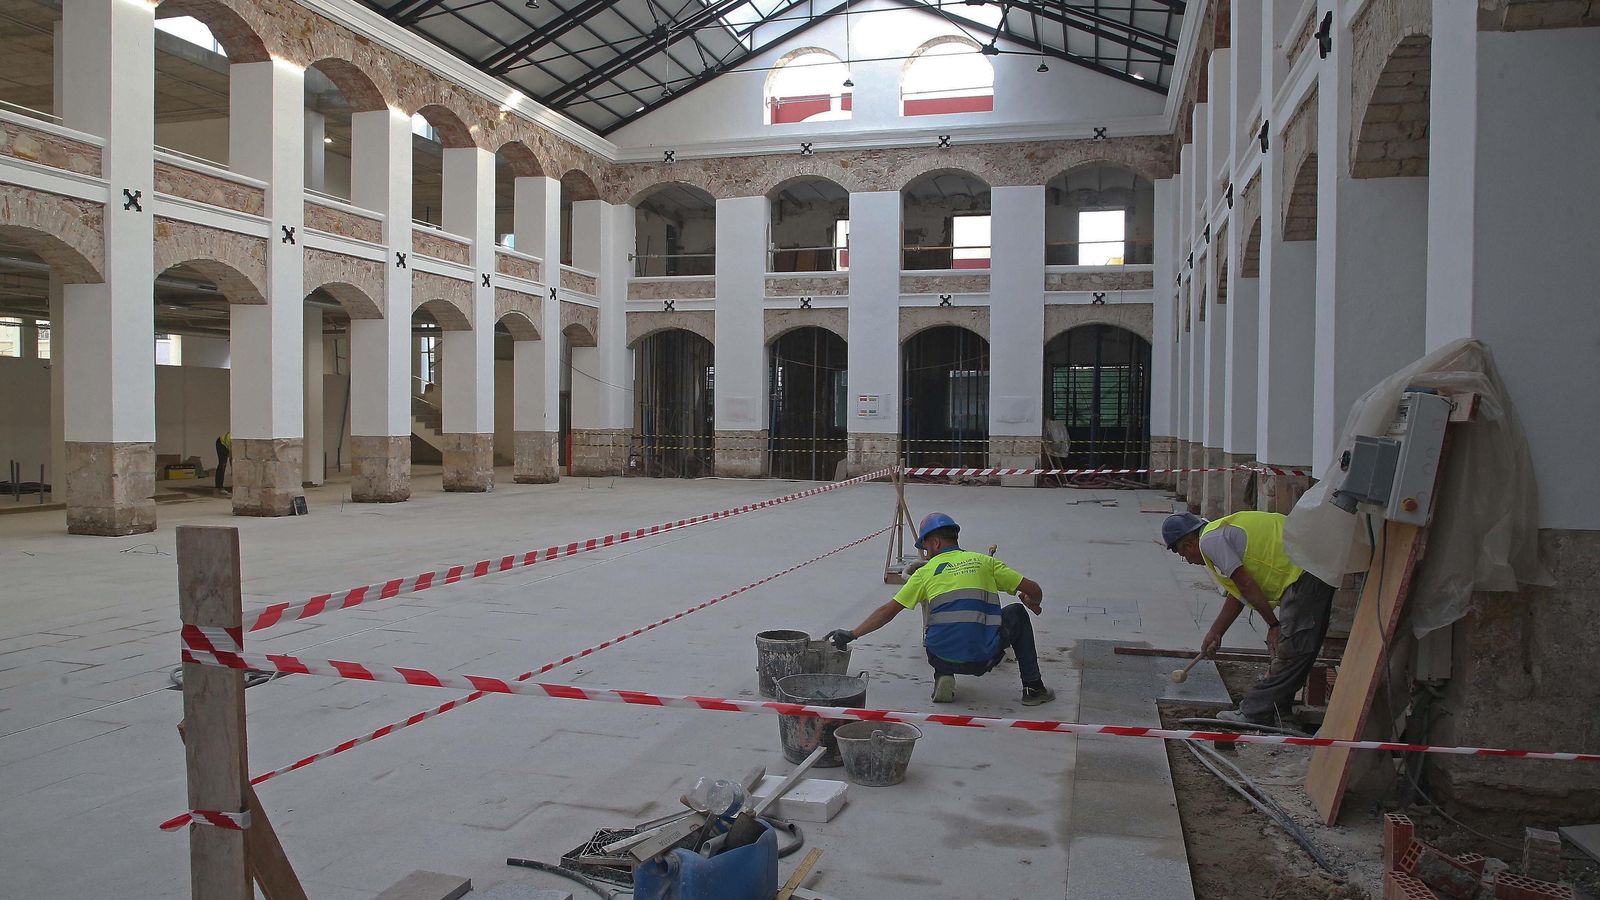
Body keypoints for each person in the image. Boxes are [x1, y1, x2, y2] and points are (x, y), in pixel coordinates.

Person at [826, 512, 1055, 707]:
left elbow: (888, 611)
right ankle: (1033, 687)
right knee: (1017, 612)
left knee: (934, 623)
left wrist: (852, 633)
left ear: (935, 543)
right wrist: (1030, 600)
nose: (926, 554)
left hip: (942, 656)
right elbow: (1034, 589)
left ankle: (944, 674)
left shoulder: (925, 572)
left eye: (926, 548)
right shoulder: (985, 562)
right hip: (984, 658)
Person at [1162, 510, 1335, 726]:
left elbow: (1246, 584)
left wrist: (1273, 625)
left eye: (1183, 555)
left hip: (1303, 572)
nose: (1187, 561)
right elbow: (1239, 593)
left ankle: (1254, 711)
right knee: (1299, 648)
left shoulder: (1210, 541)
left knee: (1292, 649)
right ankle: (1278, 711)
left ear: (1188, 544)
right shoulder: (1218, 533)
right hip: (1309, 565)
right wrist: (1216, 632)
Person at [214, 431, 231, 496]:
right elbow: (231, 457)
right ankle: (219, 487)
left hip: (227, 444)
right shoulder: (235, 441)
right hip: (221, 443)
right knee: (222, 464)